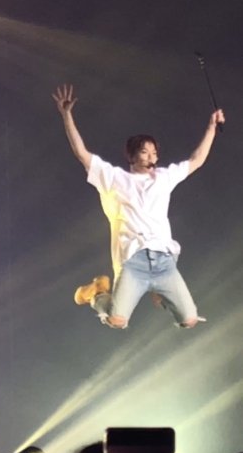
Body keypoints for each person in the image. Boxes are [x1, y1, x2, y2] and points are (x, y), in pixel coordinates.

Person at [52, 84, 225, 329]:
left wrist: (211, 127)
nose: (151, 157)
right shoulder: (114, 178)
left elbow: (196, 160)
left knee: (189, 320)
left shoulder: (164, 178)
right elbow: (81, 153)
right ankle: (96, 294)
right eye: (145, 152)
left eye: (154, 153)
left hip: (164, 262)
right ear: (132, 156)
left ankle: (160, 293)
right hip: (134, 262)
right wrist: (66, 115)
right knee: (117, 320)